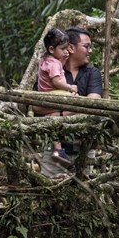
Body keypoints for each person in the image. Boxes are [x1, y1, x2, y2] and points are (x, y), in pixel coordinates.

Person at [33, 28, 78, 163]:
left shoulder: (46, 60)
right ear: (52, 49)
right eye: (63, 49)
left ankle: (58, 150)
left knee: (55, 125)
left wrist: (62, 60)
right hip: (52, 94)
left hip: (47, 94)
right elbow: (56, 81)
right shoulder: (53, 63)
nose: (66, 51)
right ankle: (52, 117)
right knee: (77, 101)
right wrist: (70, 87)